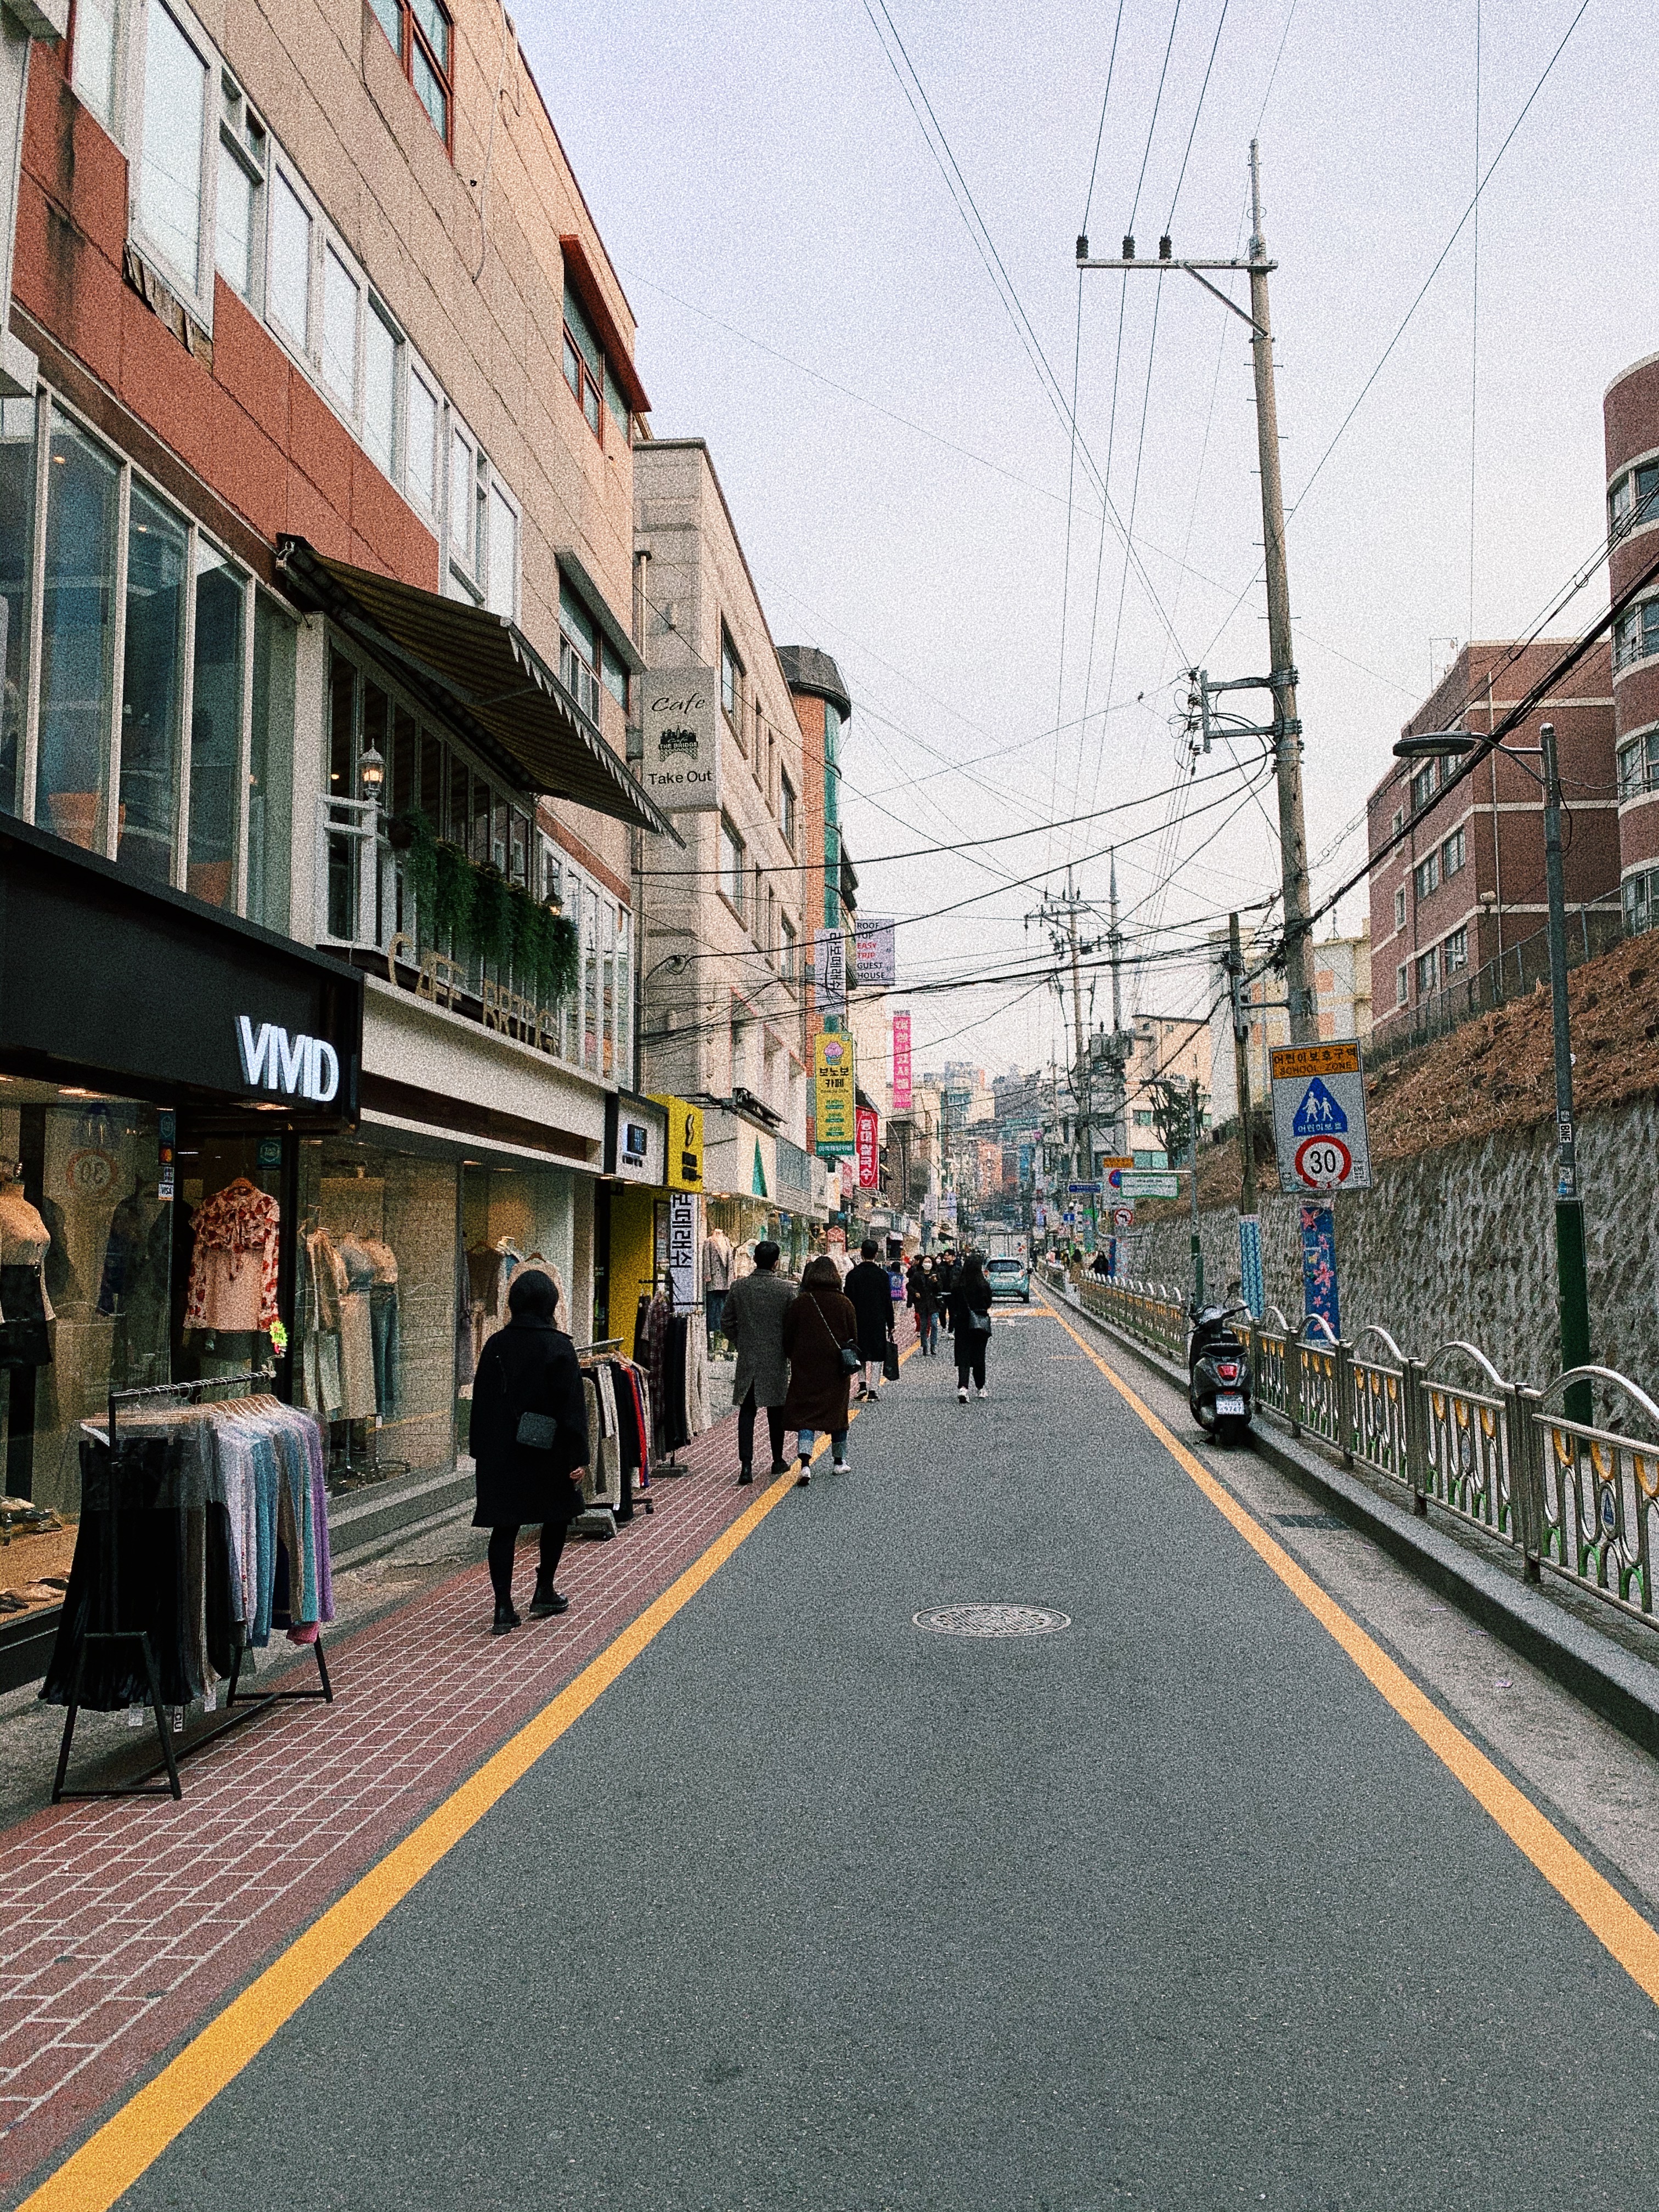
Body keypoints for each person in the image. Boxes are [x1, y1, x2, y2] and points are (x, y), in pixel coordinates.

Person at [469, 1268, 590, 1635]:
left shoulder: (495, 1344)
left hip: (501, 1449)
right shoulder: (558, 1346)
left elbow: (481, 1401)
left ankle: (503, 1606)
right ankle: (545, 1589)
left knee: (505, 1526)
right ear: (550, 1304)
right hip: (548, 1448)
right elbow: (572, 1408)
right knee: (556, 1517)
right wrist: (578, 1456)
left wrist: (480, 1450)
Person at [721, 1238, 794, 1485]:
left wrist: (741, 1342)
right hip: (775, 1359)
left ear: (754, 1260)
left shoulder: (739, 1287)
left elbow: (726, 1322)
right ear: (776, 1263)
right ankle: (777, 1460)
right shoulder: (786, 1290)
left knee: (747, 1411)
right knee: (776, 1411)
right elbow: (792, 1327)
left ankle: (746, 1467)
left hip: (749, 1358)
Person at [782, 1255, 857, 1483]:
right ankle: (839, 1462)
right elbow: (853, 1338)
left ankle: (805, 1464)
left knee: (807, 1414)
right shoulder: (845, 1303)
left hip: (805, 1367)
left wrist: (793, 1356)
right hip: (836, 1369)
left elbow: (788, 1337)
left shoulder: (801, 1302)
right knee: (837, 1414)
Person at [844, 1237, 897, 1399]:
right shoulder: (882, 1275)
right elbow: (888, 1301)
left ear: (861, 1253)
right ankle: (874, 1389)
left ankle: (862, 1385)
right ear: (876, 1254)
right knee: (877, 1354)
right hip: (877, 1320)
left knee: (860, 1352)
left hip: (858, 1320)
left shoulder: (853, 1275)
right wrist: (891, 1322)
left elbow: (847, 1300)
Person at [949, 1252, 995, 1403]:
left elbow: (953, 1305)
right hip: (980, 1324)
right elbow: (988, 1303)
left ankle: (963, 1388)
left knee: (964, 1356)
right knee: (979, 1356)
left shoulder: (958, 1285)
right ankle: (981, 1388)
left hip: (962, 1323)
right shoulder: (983, 1285)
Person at [907, 1254, 940, 1357]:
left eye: (929, 1262)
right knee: (924, 1325)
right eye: (926, 1262)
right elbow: (909, 1285)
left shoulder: (935, 1274)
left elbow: (940, 1289)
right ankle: (925, 1346)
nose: (928, 1264)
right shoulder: (918, 1275)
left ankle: (933, 1345)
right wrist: (915, 1293)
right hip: (922, 1303)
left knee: (934, 1324)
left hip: (933, 1303)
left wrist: (936, 1283)